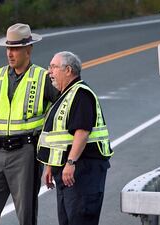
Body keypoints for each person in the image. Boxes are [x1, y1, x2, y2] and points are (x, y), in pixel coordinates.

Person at [0, 23, 59, 225]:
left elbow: (62, 113)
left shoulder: (43, 78)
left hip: (26, 152)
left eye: (15, 48)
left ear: (28, 49)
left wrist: (52, 157)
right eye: (8, 48)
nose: (10, 53)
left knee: (26, 214)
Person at [37, 51, 114, 225]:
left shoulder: (80, 94)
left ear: (68, 70)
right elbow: (58, 136)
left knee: (81, 219)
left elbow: (82, 132)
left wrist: (70, 163)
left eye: (53, 67)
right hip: (66, 172)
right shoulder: (64, 96)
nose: (49, 72)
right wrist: (50, 165)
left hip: (82, 171)